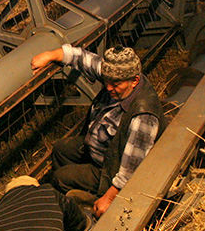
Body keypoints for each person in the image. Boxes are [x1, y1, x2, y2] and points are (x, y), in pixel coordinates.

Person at [29, 45, 163, 217]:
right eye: (106, 81)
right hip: (100, 148)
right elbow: (82, 58)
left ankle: (85, 207)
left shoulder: (142, 116)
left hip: (110, 168)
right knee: (61, 149)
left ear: (135, 81)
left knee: (60, 178)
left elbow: (130, 170)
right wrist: (50, 54)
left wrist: (109, 198)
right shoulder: (118, 76)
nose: (108, 87)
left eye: (115, 84)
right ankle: (72, 194)